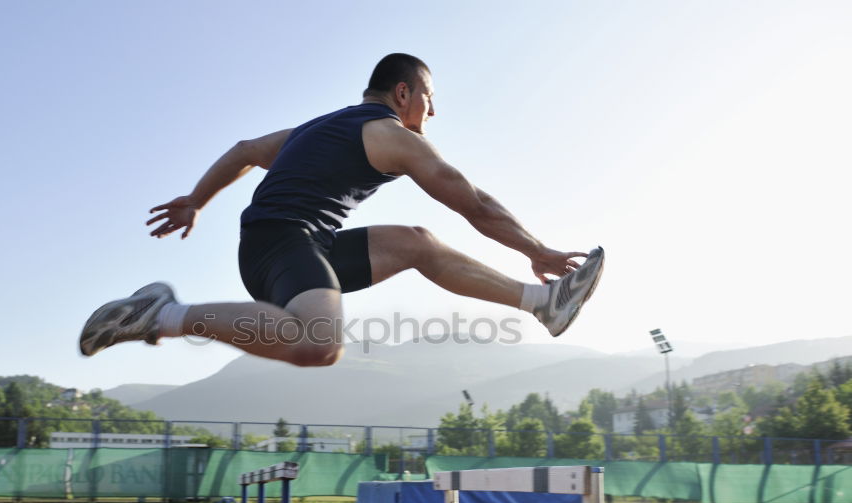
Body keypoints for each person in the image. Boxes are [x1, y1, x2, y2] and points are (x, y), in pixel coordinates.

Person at [80, 53, 604, 366]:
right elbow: (474, 202)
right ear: (404, 93)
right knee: (319, 342)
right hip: (281, 241)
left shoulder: (318, 128)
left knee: (416, 242)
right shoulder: (389, 135)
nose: (434, 111)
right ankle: (161, 315)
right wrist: (539, 249)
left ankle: (543, 303)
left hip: (307, 242)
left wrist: (197, 200)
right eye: (429, 98)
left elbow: (245, 150)